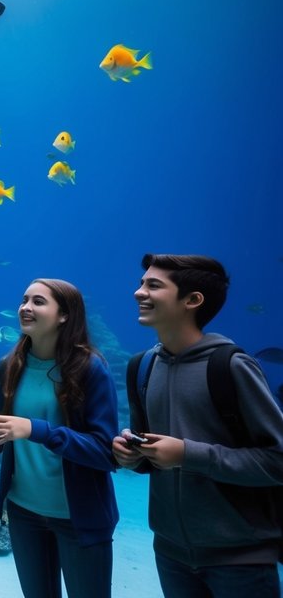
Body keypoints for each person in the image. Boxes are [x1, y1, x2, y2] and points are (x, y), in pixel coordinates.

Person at [112, 254, 283, 597]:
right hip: (169, 553)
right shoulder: (141, 368)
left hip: (240, 559)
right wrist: (134, 455)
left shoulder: (231, 366)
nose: (138, 292)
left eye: (153, 285)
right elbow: (153, 457)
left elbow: (277, 461)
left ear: (192, 300)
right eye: (142, 282)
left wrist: (188, 454)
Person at [0, 278, 118, 598]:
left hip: (78, 517)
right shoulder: (7, 367)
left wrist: (34, 429)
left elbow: (105, 452)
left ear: (65, 315)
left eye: (38, 302)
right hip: (24, 512)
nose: (26, 307)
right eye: (24, 300)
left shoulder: (90, 369)